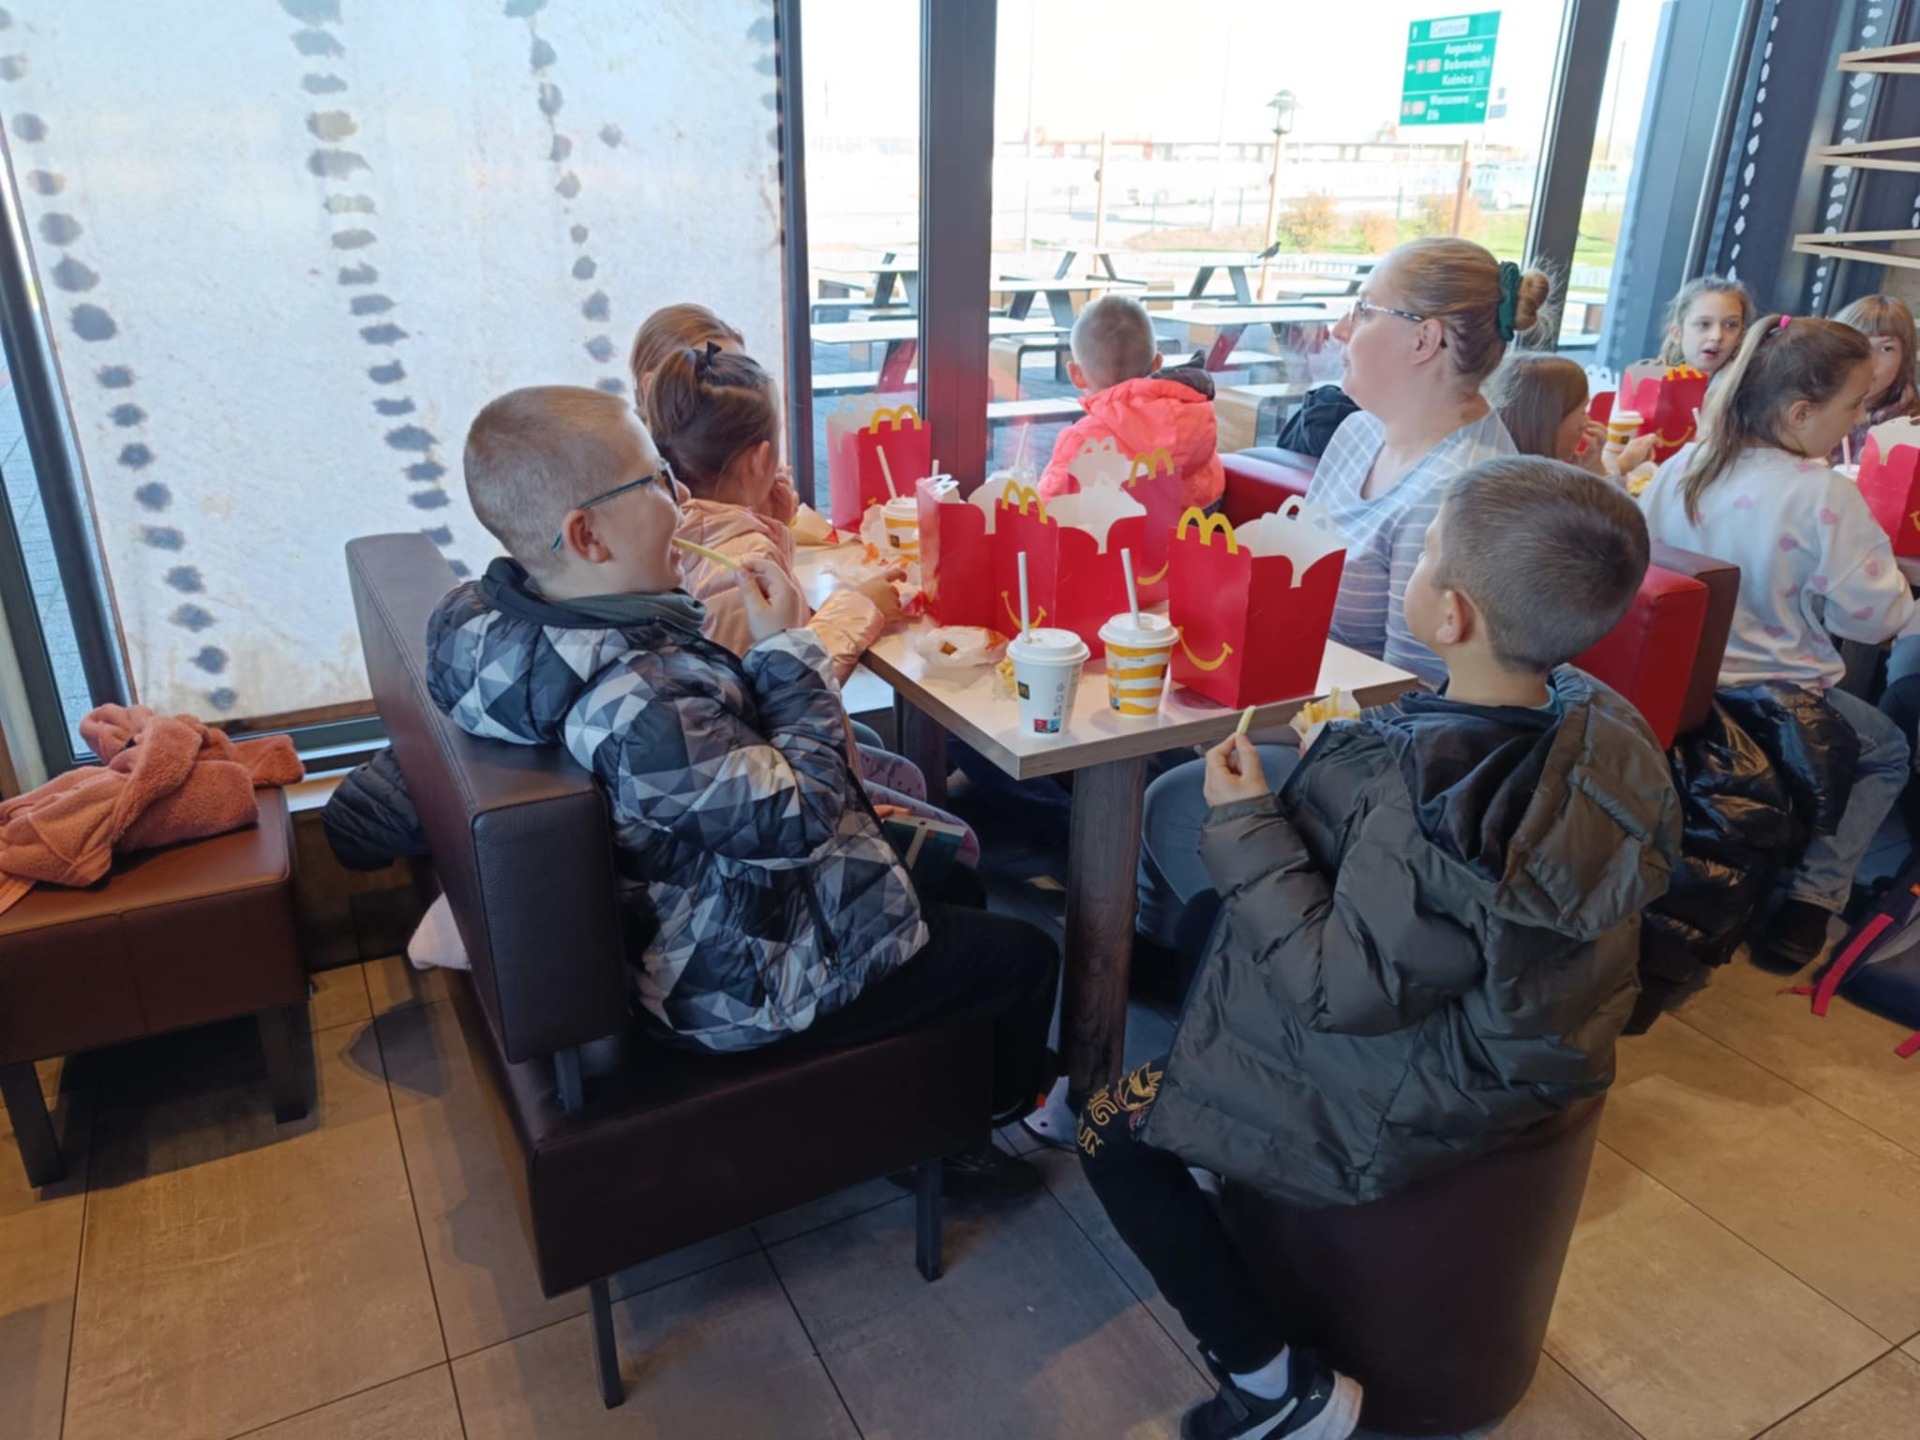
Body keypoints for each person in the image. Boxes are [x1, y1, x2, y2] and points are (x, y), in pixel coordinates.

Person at [1079, 458, 1679, 1440]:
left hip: (1417, 1078)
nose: (1416, 561)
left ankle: (1274, 1387)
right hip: (1521, 1035)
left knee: (1107, 1129)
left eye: (1426, 550)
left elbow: (1341, 990)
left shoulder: (1428, 800)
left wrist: (1244, 818)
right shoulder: (1601, 722)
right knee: (1205, 930)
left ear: (1451, 616)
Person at [426, 385, 1058, 1139]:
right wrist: (787, 650)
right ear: (587, 536)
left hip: (710, 912)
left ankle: (933, 1110)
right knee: (1026, 957)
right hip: (736, 984)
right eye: (656, 480)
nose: (681, 498)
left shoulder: (523, 637)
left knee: (954, 879)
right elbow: (801, 823)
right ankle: (989, 1119)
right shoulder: (635, 702)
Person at [1135, 237, 1549, 953]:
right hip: (1299, 700)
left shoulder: (1460, 493)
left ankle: (1228, 975)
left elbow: (1411, 706)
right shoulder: (1360, 432)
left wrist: (1243, 717)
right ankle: (1163, 949)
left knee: (1170, 794)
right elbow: (1301, 590)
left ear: (1425, 339)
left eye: (1362, 310)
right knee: (1139, 738)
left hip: (1385, 766)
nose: (1337, 330)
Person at [1639, 315, 1918, 970]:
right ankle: (1812, 903)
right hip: (1774, 702)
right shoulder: (1822, 494)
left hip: (1680, 687)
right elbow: (1872, 621)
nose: (1858, 420)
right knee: (1887, 750)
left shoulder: (1688, 464)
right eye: (1853, 405)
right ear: (1799, 412)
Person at [643, 342, 979, 863]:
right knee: (963, 848)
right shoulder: (739, 563)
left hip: (750, 783)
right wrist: (860, 605)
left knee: (908, 775)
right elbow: (777, 688)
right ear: (760, 458)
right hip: (785, 808)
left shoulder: (672, 532)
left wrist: (770, 526)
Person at [1037, 294, 1225, 510]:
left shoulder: (1083, 441)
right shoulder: (1196, 425)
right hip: (1194, 531)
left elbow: (1045, 511)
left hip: (1115, 533)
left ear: (1075, 375)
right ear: (1157, 363)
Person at [628, 303, 801, 527]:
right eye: (712, 380)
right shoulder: (633, 501)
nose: (736, 394)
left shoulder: (746, 459)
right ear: (651, 387)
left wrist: (766, 514)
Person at [1486, 350, 1657, 483]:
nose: (1587, 421)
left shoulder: (1499, 466)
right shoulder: (1544, 494)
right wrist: (1598, 474)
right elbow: (1611, 515)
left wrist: (1621, 465)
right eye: (1582, 412)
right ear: (1548, 423)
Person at [1831, 293, 1920, 464]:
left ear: (1905, 358)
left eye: (1886, 349)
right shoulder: (1807, 410)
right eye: (1856, 345)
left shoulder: (1913, 430)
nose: (1870, 362)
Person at [1655, 275, 1755, 378]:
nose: (1717, 336)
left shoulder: (1752, 385)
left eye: (1730, 325)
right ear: (1677, 333)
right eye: (1704, 324)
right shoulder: (1654, 382)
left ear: (1741, 335)